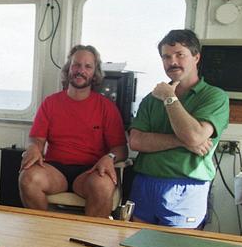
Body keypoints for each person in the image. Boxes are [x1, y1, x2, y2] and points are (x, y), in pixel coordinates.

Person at [128, 29, 229, 228]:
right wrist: (181, 141)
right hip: (145, 184)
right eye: (166, 57)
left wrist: (169, 97)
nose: (172, 62)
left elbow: (194, 136)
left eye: (180, 55)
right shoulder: (150, 99)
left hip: (187, 188)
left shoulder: (215, 97)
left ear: (196, 57)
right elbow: (136, 141)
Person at [19, 45, 128, 217]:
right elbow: (37, 140)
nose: (81, 70)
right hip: (55, 171)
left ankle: (90, 240)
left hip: (90, 172)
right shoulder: (51, 103)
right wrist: (33, 147)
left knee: (103, 185)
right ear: (68, 68)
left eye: (87, 66)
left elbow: (121, 150)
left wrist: (110, 157)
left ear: (94, 73)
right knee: (28, 178)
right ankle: (43, 233)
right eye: (76, 65)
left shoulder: (106, 107)